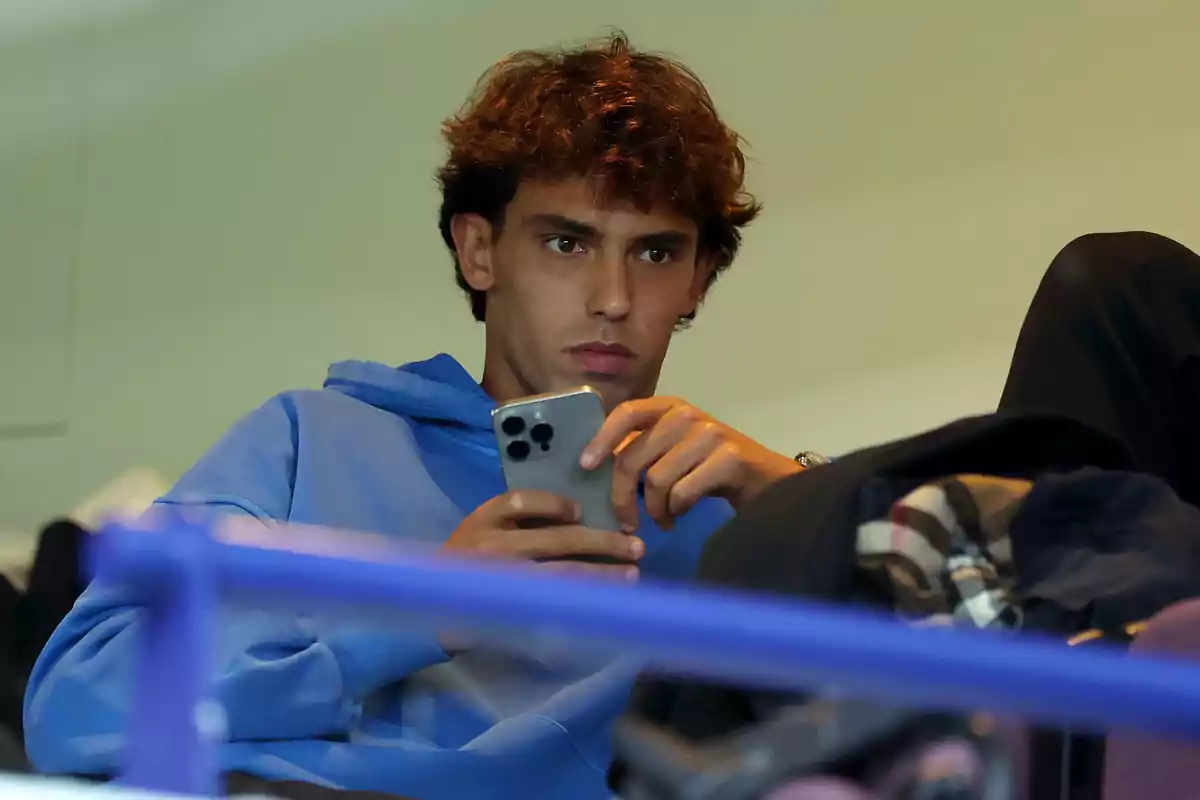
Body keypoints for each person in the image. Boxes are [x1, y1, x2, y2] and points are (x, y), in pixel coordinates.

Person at [23, 33, 807, 800]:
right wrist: (421, 608)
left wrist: (797, 498)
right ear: (479, 251)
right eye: (568, 242)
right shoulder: (312, 439)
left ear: (700, 279)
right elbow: (75, 708)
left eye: (657, 253)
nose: (613, 298)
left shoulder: (734, 522)